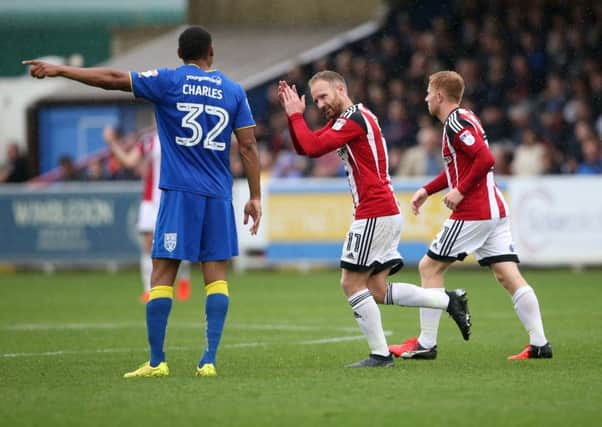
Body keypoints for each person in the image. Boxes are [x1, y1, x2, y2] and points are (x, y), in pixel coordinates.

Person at [24, 26, 262, 377]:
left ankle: (157, 361)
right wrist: (255, 195)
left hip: (180, 192)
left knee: (162, 273)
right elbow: (249, 146)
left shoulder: (169, 81)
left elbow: (112, 78)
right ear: (211, 52)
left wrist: (62, 70)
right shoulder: (233, 91)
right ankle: (209, 360)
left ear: (180, 54)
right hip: (218, 194)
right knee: (216, 276)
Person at [278, 71, 471, 368]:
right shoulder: (355, 117)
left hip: (374, 212)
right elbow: (306, 145)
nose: (319, 104)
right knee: (377, 290)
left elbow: (312, 148)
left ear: (341, 88)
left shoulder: (354, 119)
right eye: (315, 100)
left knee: (351, 283)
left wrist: (294, 116)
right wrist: (295, 117)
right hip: (383, 211)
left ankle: (380, 355)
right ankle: (449, 301)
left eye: (324, 96)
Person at [388, 71, 552, 361]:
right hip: (494, 208)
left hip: (475, 211)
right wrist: (428, 189)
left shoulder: (455, 122)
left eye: (428, 92)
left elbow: (486, 160)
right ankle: (539, 344)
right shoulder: (466, 118)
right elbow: (459, 168)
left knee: (429, 268)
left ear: (439, 95)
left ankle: (426, 343)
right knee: (507, 275)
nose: (425, 97)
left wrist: (460, 191)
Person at [103, 126, 192, 303]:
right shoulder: (149, 141)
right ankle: (148, 289)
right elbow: (129, 161)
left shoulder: (182, 136)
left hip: (173, 199)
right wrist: (112, 143)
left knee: (176, 244)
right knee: (148, 246)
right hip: (150, 201)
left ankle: (184, 281)